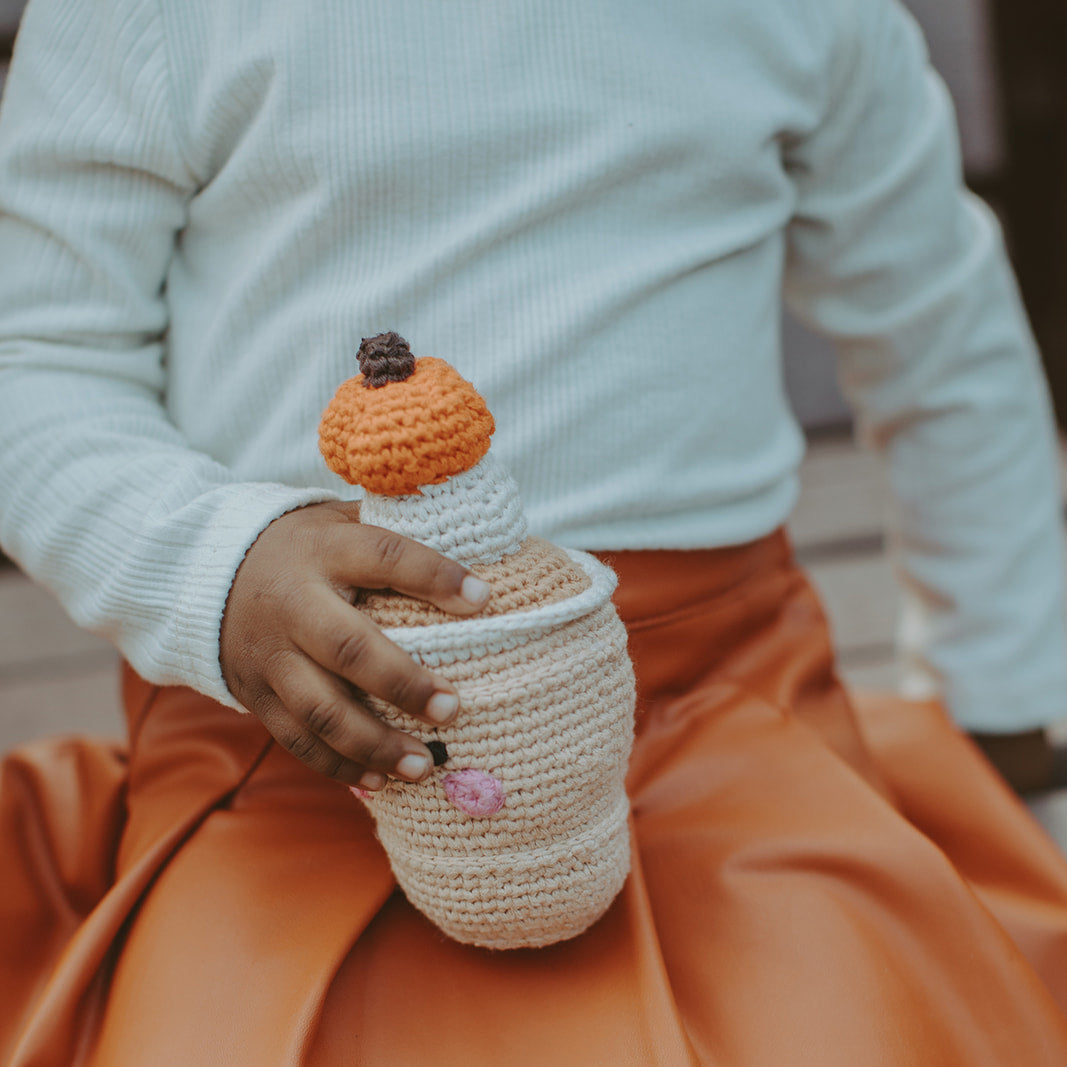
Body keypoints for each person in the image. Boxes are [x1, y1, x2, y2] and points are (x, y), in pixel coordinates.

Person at [1, 0, 1066, 1062]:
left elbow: (941, 337)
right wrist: (216, 565)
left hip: (721, 716)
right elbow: (33, 356)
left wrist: (1002, 702)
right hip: (297, 739)